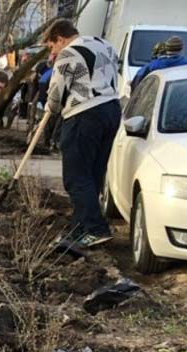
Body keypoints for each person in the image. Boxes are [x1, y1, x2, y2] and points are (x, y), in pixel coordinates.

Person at [44, 18, 121, 247]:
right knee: (92, 174)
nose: (53, 52)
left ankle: (96, 228)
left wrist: (51, 109)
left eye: (51, 47)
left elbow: (56, 91)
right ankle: (80, 227)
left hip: (84, 113)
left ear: (60, 38)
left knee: (76, 176)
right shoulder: (105, 45)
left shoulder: (68, 53)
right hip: (111, 110)